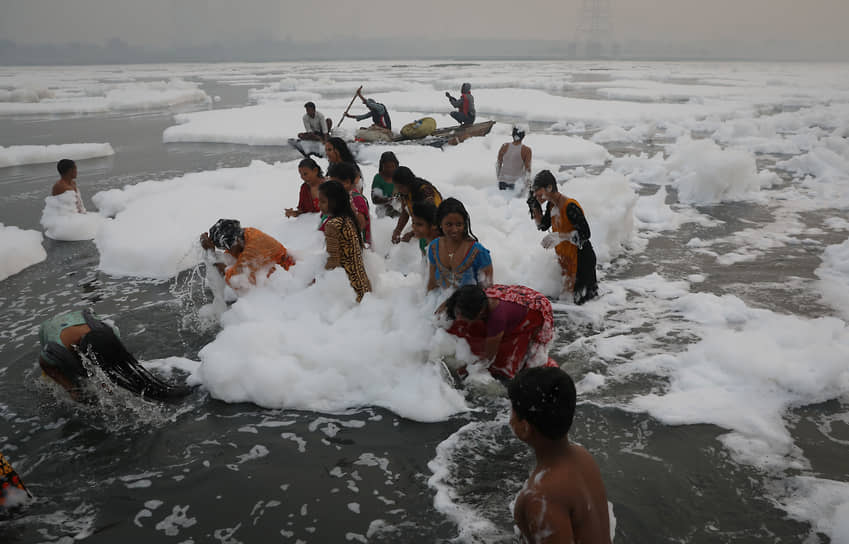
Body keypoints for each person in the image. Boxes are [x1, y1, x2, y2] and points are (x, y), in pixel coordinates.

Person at [508, 366, 612, 544]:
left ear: (525, 428)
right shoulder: (583, 457)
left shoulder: (540, 497)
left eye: (513, 411)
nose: (509, 416)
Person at [38, 309, 192, 402]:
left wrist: (106, 384)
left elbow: (110, 361)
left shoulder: (110, 334)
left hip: (80, 321)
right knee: (74, 374)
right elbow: (46, 365)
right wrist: (70, 389)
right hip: (50, 328)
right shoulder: (54, 350)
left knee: (98, 369)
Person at [442, 284, 557, 380]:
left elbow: (488, 358)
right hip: (515, 296)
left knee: (508, 366)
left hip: (535, 310)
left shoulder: (497, 319)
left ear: (480, 313)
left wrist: (467, 368)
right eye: (457, 312)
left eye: (462, 315)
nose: (458, 317)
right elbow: (454, 301)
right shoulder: (473, 297)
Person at [531, 170, 598, 305]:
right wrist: (534, 206)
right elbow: (542, 226)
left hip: (582, 261)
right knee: (567, 305)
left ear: (549, 187)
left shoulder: (570, 206)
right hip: (567, 260)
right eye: (533, 191)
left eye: (537, 190)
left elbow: (585, 234)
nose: (535, 194)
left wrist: (561, 236)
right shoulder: (551, 205)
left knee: (585, 307)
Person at [200, 219, 295, 290]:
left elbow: (234, 280)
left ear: (236, 240)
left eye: (226, 248)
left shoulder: (253, 249)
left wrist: (211, 253)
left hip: (287, 283)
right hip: (272, 275)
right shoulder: (244, 234)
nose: (227, 251)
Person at [318, 180, 372, 302]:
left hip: (349, 291)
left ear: (335, 202)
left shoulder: (332, 225)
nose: (319, 205)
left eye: (323, 201)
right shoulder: (348, 218)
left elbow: (333, 261)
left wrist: (319, 278)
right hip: (364, 285)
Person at [427, 198, 492, 291]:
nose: (454, 230)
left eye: (459, 224)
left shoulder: (478, 252)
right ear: (440, 223)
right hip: (438, 299)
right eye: (449, 224)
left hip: (468, 303)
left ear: (465, 224)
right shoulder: (434, 247)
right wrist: (426, 302)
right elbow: (432, 283)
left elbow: (487, 289)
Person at [391, 166, 443, 244]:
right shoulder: (405, 193)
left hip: (437, 227)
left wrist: (412, 233)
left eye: (400, 187)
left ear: (408, 183)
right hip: (421, 225)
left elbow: (433, 217)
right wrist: (397, 231)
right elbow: (405, 212)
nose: (399, 190)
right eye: (397, 187)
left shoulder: (425, 191)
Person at [327, 162, 371, 247]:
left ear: (346, 182)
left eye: (334, 184)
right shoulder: (340, 197)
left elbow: (360, 225)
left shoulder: (356, 200)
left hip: (354, 248)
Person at [496, 126, 532, 191]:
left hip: (502, 181)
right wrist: (527, 184)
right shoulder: (527, 150)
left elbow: (498, 164)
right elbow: (528, 169)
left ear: (513, 134)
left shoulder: (504, 146)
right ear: (523, 136)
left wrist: (499, 178)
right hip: (515, 183)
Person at [372, 151, 399, 218]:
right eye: (387, 167)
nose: (390, 169)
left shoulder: (400, 177)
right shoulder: (378, 178)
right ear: (382, 166)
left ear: (396, 165)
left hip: (399, 212)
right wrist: (389, 200)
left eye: (392, 166)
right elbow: (375, 200)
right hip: (383, 213)